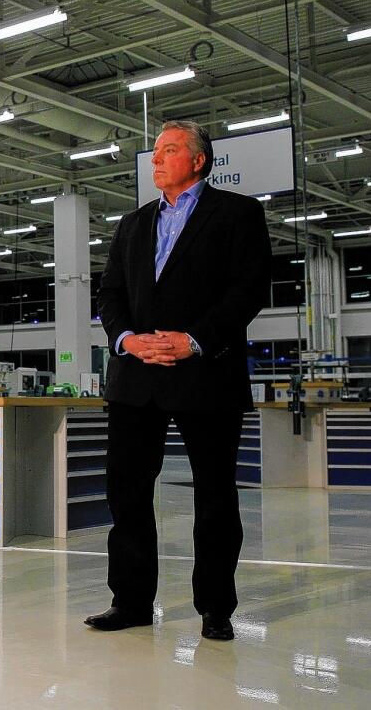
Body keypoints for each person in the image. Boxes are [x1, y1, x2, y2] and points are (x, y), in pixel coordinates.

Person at [88, 120, 271, 642]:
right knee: (126, 493)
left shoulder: (238, 213)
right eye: (155, 153)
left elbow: (248, 290)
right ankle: (130, 601)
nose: (156, 160)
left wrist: (193, 339)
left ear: (198, 160)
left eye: (168, 151)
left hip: (206, 374)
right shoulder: (132, 224)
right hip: (135, 377)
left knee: (214, 497)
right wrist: (128, 340)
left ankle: (216, 608)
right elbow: (110, 295)